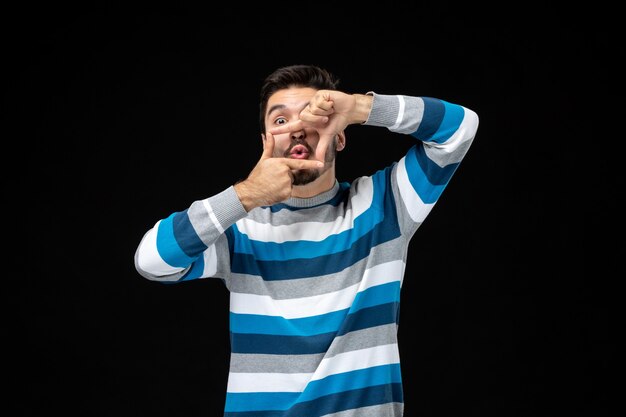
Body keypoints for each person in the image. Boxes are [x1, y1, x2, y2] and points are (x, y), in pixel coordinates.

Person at [134, 64, 479, 417]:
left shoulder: (386, 204)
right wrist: (246, 195)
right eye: (280, 121)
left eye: (313, 115)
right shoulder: (240, 229)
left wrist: (360, 108)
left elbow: (460, 128)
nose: (296, 129)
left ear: (341, 135)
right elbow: (151, 261)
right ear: (265, 142)